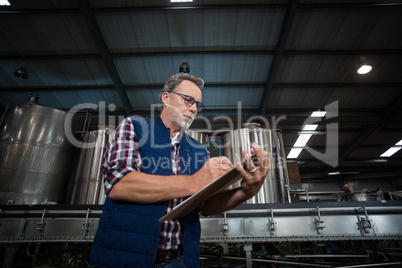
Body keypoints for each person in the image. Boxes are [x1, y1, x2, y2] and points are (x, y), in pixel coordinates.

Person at [89, 73, 270, 268]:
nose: (193, 108)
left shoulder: (199, 150)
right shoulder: (135, 127)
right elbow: (119, 184)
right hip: (124, 257)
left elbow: (206, 206)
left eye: (197, 105)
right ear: (166, 98)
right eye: (188, 100)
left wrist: (246, 191)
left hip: (180, 260)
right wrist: (195, 181)